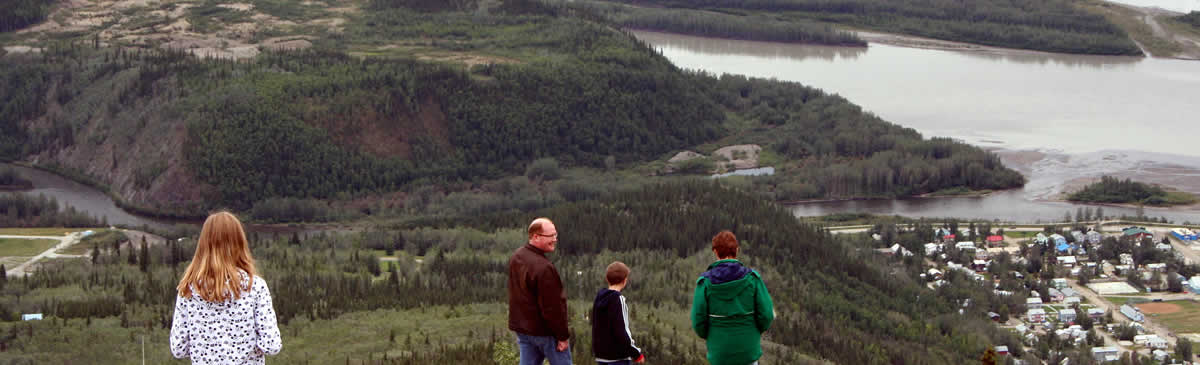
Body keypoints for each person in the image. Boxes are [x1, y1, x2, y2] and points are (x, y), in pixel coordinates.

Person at [170, 212, 282, 364]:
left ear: (203, 245)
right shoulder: (255, 287)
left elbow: (179, 348)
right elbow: (272, 345)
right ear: (239, 243)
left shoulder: (188, 290)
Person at [690, 230, 774, 365]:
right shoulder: (753, 279)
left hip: (720, 355)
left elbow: (698, 322)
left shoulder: (704, 283)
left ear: (715, 252)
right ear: (737, 250)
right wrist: (752, 332)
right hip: (748, 353)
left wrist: (714, 337)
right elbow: (767, 315)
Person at [509, 217, 572, 365]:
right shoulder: (544, 268)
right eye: (551, 236)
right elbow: (553, 307)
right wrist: (562, 336)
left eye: (556, 235)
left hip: (523, 330)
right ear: (536, 237)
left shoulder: (517, 256)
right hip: (545, 333)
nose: (555, 239)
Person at [591, 261, 644, 365]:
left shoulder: (599, 298)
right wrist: (636, 354)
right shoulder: (619, 300)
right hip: (619, 357)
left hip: (601, 356)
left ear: (607, 279)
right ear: (625, 281)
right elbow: (622, 331)